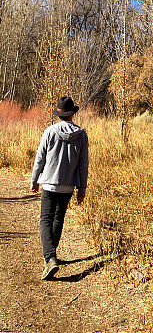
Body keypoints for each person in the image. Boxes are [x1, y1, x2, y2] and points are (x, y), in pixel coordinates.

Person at [30, 96, 89, 280]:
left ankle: (50, 258)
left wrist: (34, 180)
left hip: (49, 183)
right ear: (73, 114)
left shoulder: (50, 132)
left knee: (45, 219)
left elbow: (40, 158)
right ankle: (52, 255)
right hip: (68, 186)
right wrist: (82, 188)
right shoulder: (81, 135)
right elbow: (83, 164)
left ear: (59, 114)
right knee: (58, 219)